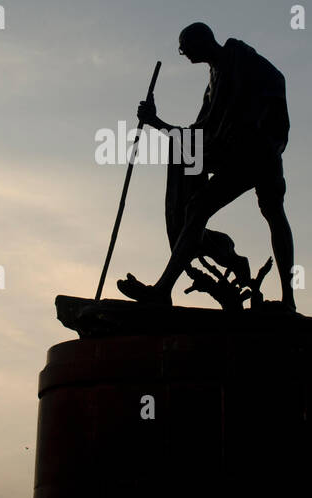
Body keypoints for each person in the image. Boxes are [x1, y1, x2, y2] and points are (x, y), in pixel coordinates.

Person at [117, 22, 296, 310]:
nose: (184, 54)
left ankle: (288, 299)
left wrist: (260, 128)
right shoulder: (213, 82)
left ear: (202, 42)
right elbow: (199, 134)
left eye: (185, 49)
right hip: (235, 155)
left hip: (259, 154)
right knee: (197, 206)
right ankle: (173, 283)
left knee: (272, 214)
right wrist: (156, 122)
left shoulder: (243, 60)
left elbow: (276, 82)